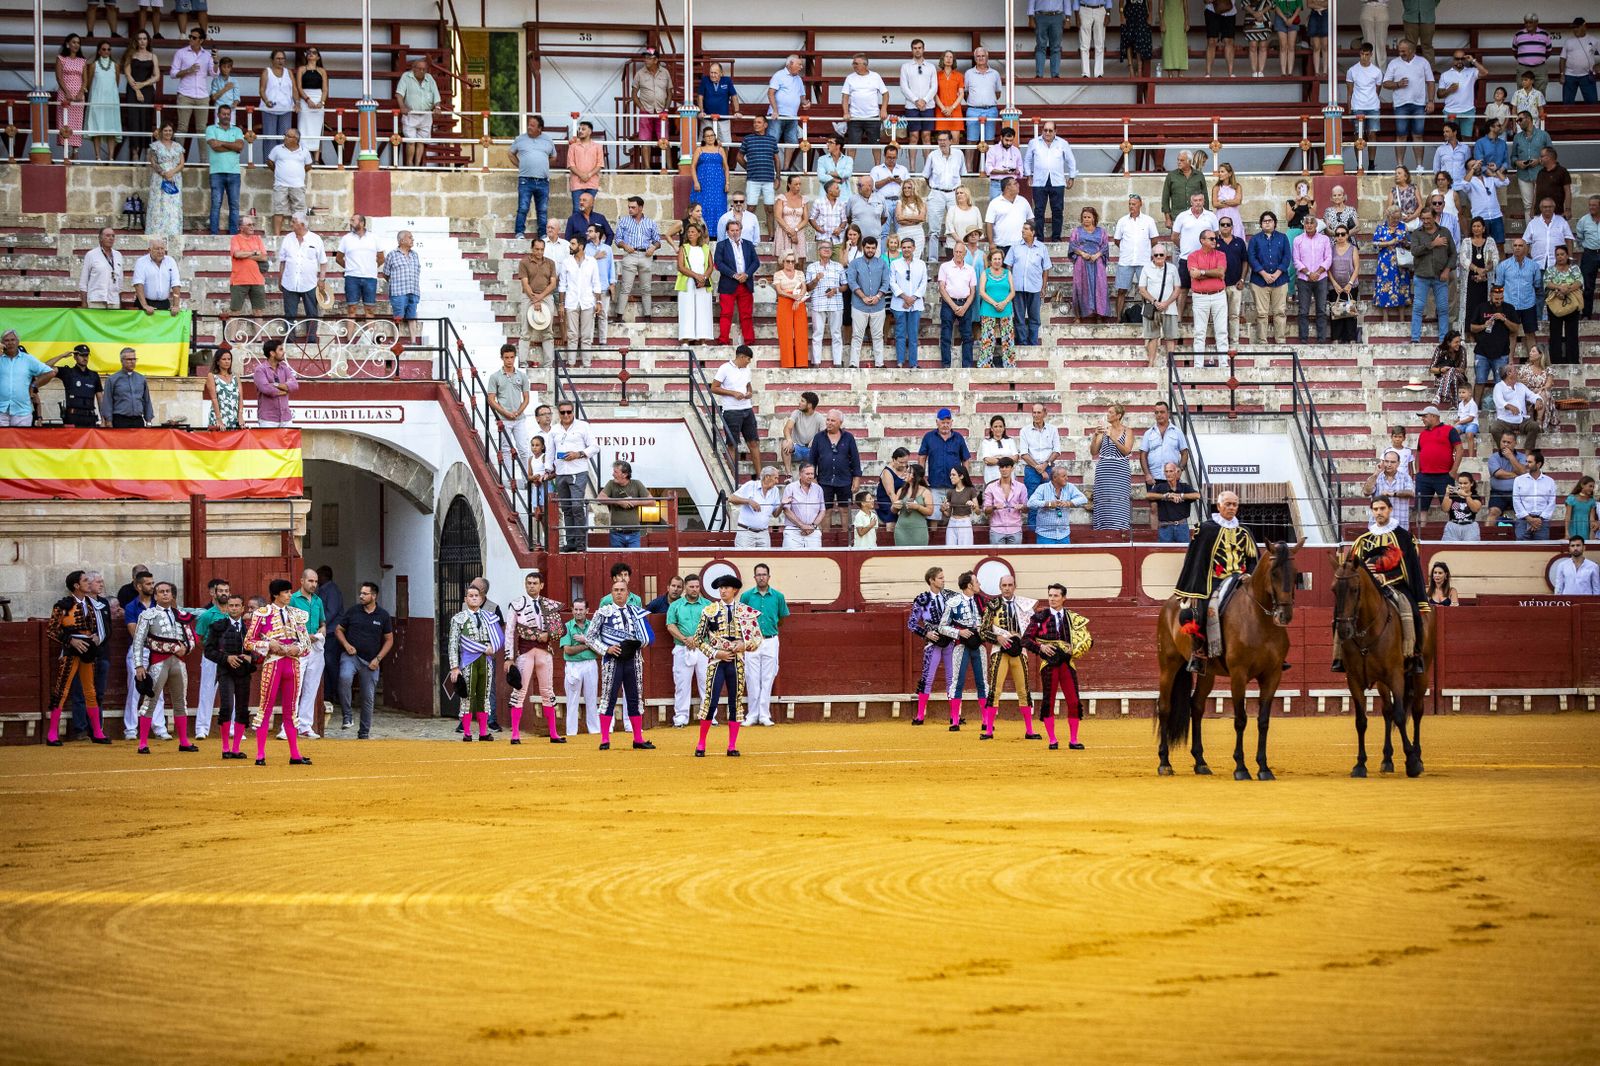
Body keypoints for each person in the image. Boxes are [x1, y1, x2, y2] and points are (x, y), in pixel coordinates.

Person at [1339, 495, 1428, 675]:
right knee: (1341, 613)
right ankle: (1339, 657)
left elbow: (1409, 568)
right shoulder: (1362, 540)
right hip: (1366, 588)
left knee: (1412, 610)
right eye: (1376, 509)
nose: (1379, 512)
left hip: (1396, 585)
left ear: (1390, 510)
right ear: (1372, 512)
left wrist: (1384, 578)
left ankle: (1415, 654)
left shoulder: (1403, 537)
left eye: (1382, 509)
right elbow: (1351, 569)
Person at [1173, 490, 1259, 672]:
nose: (1232, 508)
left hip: (1241, 580)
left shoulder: (1245, 531)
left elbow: (1253, 560)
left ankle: (1269, 651)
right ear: (1218, 506)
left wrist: (1250, 574)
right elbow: (1195, 560)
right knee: (1199, 611)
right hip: (1212, 581)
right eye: (1228, 504)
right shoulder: (1205, 529)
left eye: (1235, 504)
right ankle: (1198, 652)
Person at [692, 575, 763, 757]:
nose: (723, 591)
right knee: (710, 701)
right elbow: (698, 640)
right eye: (720, 588)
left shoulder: (745, 611)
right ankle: (701, 744)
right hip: (717, 662)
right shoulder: (709, 610)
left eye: (726, 588)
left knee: (735, 702)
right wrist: (716, 653)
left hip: (737, 661)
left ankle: (732, 746)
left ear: (734, 590)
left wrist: (744, 645)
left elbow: (757, 638)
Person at [130, 580, 199, 755]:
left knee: (180, 702)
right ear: (155, 596)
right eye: (161, 592)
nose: (165, 594)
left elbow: (191, 639)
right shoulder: (147, 615)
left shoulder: (181, 614)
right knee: (150, 701)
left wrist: (187, 649)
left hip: (178, 663)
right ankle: (143, 743)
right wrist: (139, 665)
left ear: (173, 594)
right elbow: (138, 642)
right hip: (157, 663)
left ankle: (183, 741)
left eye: (168, 591)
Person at [43, 571, 110, 747]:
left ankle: (97, 732)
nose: (90, 583)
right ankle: (51, 735)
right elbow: (51, 630)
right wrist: (70, 640)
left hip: (88, 650)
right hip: (71, 652)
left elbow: (101, 628)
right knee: (62, 691)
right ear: (76, 585)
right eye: (85, 580)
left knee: (90, 691)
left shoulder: (94, 604)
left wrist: (97, 636)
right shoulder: (63, 605)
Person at [502, 570, 562, 746]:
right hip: (525, 652)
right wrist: (508, 657)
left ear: (541, 586)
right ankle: (515, 734)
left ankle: (553, 733)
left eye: (535, 583)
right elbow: (510, 631)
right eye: (529, 583)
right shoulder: (516, 605)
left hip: (544, 653)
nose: (531, 586)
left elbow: (559, 630)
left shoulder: (549, 605)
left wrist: (549, 635)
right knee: (519, 692)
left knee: (547, 692)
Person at [979, 575, 1037, 739]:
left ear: (1015, 586)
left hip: (1019, 652)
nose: (1007, 588)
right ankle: (989, 730)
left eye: (1010, 585)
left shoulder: (1024, 605)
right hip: (999, 651)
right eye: (1004, 585)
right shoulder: (992, 606)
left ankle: (1030, 731)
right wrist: (998, 638)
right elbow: (983, 631)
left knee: (1024, 690)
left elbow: (1032, 629)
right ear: (999, 587)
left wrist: (1021, 636)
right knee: (995, 690)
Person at [333, 581, 392, 740]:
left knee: (368, 697)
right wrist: (346, 645)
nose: (361, 596)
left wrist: (378, 658)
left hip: (371, 661)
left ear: (374, 596)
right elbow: (339, 629)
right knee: (344, 678)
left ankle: (364, 732)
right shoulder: (353, 611)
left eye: (365, 594)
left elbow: (389, 640)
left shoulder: (383, 615)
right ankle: (347, 715)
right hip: (351, 656)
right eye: (361, 593)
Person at [446, 585, 503, 743]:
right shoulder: (458, 618)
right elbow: (453, 644)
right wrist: (454, 667)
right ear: (465, 599)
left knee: (484, 696)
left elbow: (498, 637)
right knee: (467, 696)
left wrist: (493, 648)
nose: (474, 598)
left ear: (481, 598)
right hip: (468, 661)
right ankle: (467, 733)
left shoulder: (488, 617)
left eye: (476, 595)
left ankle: (484, 732)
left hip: (486, 661)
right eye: (470, 596)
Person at [738, 565, 788, 727]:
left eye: (764, 574)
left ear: (769, 576)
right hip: (752, 641)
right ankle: (752, 715)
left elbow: (781, 618)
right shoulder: (746, 596)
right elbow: (740, 618)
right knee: (752, 678)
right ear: (754, 578)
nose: (761, 577)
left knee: (768, 678)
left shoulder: (778, 597)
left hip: (771, 640)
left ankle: (764, 715)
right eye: (758, 575)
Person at [549, 402, 597, 553]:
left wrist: (579, 454)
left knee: (577, 506)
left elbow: (595, 447)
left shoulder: (583, 426)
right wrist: (548, 469)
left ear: (573, 411)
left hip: (578, 470)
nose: (566, 415)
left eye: (568, 412)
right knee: (566, 508)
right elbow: (550, 451)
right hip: (561, 471)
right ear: (558, 413)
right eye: (562, 412)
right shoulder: (554, 430)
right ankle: (571, 542)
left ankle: (580, 543)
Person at [1382, 38, 1435, 170]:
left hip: (1419, 104)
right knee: (1401, 135)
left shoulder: (1423, 62)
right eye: (1400, 51)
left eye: (1404, 51)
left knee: (1418, 135)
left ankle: (1419, 166)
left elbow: (1431, 82)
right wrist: (1397, 84)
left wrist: (1430, 101)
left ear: (1412, 50)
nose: (1401, 53)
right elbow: (1385, 83)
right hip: (1401, 104)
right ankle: (1399, 165)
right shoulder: (1394, 63)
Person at [1408, 206, 1454, 343]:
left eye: (1428, 218)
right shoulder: (1417, 233)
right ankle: (1415, 338)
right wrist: (1432, 244)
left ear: (1435, 217)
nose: (1426, 221)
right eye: (1423, 219)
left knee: (1443, 308)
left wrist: (1447, 270)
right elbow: (1414, 251)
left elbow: (1453, 254)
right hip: (1421, 276)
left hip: (1440, 276)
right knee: (1418, 307)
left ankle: (1443, 339)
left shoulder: (1445, 232)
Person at [508, 115, 556, 240]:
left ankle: (543, 234)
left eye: (533, 125)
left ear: (540, 128)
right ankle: (519, 232)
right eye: (529, 124)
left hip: (543, 181)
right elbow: (510, 153)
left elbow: (553, 156)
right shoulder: (520, 139)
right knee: (523, 207)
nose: (529, 127)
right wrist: (521, 165)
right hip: (525, 180)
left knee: (542, 210)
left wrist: (542, 165)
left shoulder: (548, 140)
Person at [714, 218, 759, 347]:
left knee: (746, 315)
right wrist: (734, 275)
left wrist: (746, 274)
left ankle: (749, 341)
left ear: (741, 230)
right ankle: (723, 340)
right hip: (728, 284)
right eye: (732, 230)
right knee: (726, 313)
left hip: (745, 283)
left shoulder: (748, 244)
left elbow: (755, 262)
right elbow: (718, 263)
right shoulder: (721, 245)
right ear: (727, 232)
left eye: (737, 230)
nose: (735, 233)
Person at [559, 599, 600, 737]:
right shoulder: (566, 626)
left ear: (587, 611)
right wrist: (587, 644)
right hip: (573, 665)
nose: (578, 612)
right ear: (572, 610)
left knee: (592, 699)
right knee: (572, 700)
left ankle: (594, 731)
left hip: (590, 664)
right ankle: (571, 732)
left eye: (581, 609)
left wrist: (585, 640)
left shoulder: (594, 626)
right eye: (575, 609)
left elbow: (600, 650)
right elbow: (568, 650)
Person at [805, 239, 848, 367]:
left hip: (836, 303)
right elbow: (808, 288)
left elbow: (845, 286)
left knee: (836, 333)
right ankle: (816, 362)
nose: (827, 249)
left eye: (829, 248)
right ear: (819, 251)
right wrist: (816, 280)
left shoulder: (838, 266)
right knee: (818, 333)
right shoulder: (812, 267)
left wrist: (836, 290)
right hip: (818, 303)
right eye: (824, 247)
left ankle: (837, 362)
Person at [937, 241, 978, 368]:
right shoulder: (945, 267)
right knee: (946, 335)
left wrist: (964, 307)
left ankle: (967, 366)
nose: (958, 254)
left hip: (965, 303)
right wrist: (954, 306)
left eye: (961, 252)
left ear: (965, 254)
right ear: (953, 252)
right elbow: (942, 288)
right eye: (956, 251)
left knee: (967, 336)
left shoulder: (970, 269)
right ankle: (946, 365)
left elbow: (973, 291)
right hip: (949, 303)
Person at [1139, 243, 1182, 366]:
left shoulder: (1172, 268)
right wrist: (1154, 301)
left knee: (1170, 337)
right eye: (1156, 255)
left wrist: (1166, 303)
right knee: (1152, 337)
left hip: (1170, 307)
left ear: (1166, 255)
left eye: (1161, 254)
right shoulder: (1146, 268)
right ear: (1152, 256)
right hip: (1151, 307)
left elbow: (1177, 288)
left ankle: (1171, 363)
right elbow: (1142, 289)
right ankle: (1151, 362)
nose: (1158, 257)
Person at [394, 57, 441, 168]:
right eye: (419, 69)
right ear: (413, 69)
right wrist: (402, 107)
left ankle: (417, 165)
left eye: (424, 69)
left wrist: (437, 107)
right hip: (411, 114)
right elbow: (399, 94)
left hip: (426, 114)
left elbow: (436, 96)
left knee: (421, 141)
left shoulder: (429, 78)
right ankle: (410, 165)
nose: (422, 71)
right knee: (411, 141)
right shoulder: (406, 76)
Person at [0, 332, 55, 428]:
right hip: (1, 411)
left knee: (20, 443)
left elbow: (50, 372)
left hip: (22, 412)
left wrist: (34, 385)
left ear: (18, 342)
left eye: (13, 340)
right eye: (6, 340)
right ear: (2, 343)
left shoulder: (28, 359)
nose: (10, 343)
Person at [889, 237, 928, 369]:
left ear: (914, 248)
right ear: (901, 248)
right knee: (900, 334)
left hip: (915, 305)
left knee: (913, 334)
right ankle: (900, 362)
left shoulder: (921, 264)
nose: (906, 249)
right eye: (904, 247)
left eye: (909, 247)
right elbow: (892, 282)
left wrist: (913, 298)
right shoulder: (895, 264)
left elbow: (923, 283)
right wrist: (905, 297)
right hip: (899, 304)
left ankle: (913, 363)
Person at [121, 30, 160, 158]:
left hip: (147, 90)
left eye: (144, 38)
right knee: (133, 120)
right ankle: (134, 151)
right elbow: (127, 74)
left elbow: (157, 76)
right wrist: (137, 90)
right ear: (136, 41)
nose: (142, 41)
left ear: (148, 41)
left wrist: (143, 85)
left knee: (146, 119)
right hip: (132, 90)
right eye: (140, 39)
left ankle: (145, 150)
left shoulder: (153, 56)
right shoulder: (130, 55)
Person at [676, 220, 716, 345]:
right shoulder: (684, 248)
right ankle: (686, 339)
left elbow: (710, 265)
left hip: (702, 283)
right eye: (688, 232)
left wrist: (703, 277)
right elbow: (681, 267)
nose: (690, 234)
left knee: (703, 309)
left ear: (699, 233)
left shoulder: (705, 248)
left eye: (693, 232)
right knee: (686, 309)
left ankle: (703, 339)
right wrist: (696, 276)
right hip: (687, 282)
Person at [975, 248, 1016, 369]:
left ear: (1002, 260)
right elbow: (981, 292)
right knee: (987, 338)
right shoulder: (985, 273)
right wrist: (994, 303)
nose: (997, 261)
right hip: (988, 308)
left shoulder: (1008, 273)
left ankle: (1009, 364)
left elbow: (1012, 292)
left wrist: (1004, 303)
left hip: (1006, 308)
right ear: (990, 260)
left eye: (999, 259)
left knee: (1008, 338)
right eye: (995, 259)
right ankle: (985, 364)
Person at [597, 460, 650, 549]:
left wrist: (635, 502)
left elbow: (652, 501)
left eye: (615, 472)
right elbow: (600, 498)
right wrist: (618, 502)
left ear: (624, 475)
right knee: (616, 560)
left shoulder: (637, 484)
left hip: (634, 533)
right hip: (616, 533)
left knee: (634, 560)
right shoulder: (611, 483)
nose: (613, 474)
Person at [1030, 463, 1089, 545]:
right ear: (1054, 478)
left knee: (1064, 558)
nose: (1067, 478)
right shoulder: (1042, 488)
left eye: (1066, 476)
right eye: (1063, 476)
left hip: (1064, 534)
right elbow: (1031, 503)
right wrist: (1048, 504)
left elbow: (1084, 499)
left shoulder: (1070, 487)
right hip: (1045, 534)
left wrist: (1069, 503)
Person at [841, 52, 889, 150]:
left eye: (856, 63)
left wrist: (883, 109)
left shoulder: (875, 76)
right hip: (855, 118)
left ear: (865, 65)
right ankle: (850, 166)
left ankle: (877, 166)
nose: (853, 66)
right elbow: (845, 97)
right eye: (853, 63)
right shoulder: (850, 78)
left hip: (873, 117)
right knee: (851, 146)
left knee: (876, 146)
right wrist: (846, 112)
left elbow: (886, 94)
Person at [1545, 246, 1583, 364]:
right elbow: (1547, 282)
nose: (1560, 257)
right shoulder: (1550, 270)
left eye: (1562, 254)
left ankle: (1573, 361)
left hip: (1571, 302)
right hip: (1555, 304)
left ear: (1567, 256)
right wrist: (1559, 288)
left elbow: (1579, 281)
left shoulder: (1574, 268)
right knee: (1555, 332)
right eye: (1557, 255)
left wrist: (1567, 289)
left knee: (1572, 333)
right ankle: (1555, 361)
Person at [382, 230, 422, 340]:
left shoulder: (415, 255)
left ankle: (413, 341)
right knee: (398, 316)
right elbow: (385, 274)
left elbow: (418, 270)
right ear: (402, 240)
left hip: (413, 290)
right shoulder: (392, 255)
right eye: (410, 237)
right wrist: (395, 283)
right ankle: (396, 340)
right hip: (398, 291)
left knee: (412, 316)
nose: (412, 239)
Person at [293, 45, 330, 165]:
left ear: (318, 57)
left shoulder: (322, 71)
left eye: (314, 52)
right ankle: (303, 156)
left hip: (318, 98)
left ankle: (316, 159)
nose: (311, 54)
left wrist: (322, 102)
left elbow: (325, 89)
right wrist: (307, 99)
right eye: (309, 52)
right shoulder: (301, 69)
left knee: (317, 129)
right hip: (305, 98)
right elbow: (299, 87)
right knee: (303, 127)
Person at [99, 347, 153, 428]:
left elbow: (146, 400)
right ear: (122, 361)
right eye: (129, 359)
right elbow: (107, 401)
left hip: (138, 421)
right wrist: (108, 421)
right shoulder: (112, 379)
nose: (132, 362)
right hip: (120, 421)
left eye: (134, 359)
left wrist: (148, 420)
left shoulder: (141, 379)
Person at [731, 466, 783, 549]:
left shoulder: (775, 490)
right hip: (746, 532)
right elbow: (732, 498)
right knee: (744, 560)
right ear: (767, 477)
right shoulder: (751, 485)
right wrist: (749, 501)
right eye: (775, 478)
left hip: (763, 532)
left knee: (764, 560)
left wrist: (782, 504)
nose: (777, 481)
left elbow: (775, 514)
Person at [765, 53, 807, 155]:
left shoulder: (799, 79)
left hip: (792, 116)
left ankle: (786, 168)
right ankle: (772, 167)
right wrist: (775, 111)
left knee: (792, 142)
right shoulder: (779, 75)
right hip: (778, 116)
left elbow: (801, 97)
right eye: (799, 65)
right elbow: (770, 93)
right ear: (790, 64)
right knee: (772, 141)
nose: (801, 67)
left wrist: (806, 103)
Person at [982, 457, 1029, 545]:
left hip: (1015, 528)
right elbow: (985, 510)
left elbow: (1026, 509)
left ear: (1012, 468)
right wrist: (994, 507)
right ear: (999, 469)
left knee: (1015, 557)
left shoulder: (1021, 487)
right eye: (1001, 467)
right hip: (997, 529)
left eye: (1007, 467)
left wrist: (1022, 507)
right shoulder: (991, 487)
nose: (1004, 469)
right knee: (997, 557)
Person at [1512, 450, 1557, 541]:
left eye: (1530, 462)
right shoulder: (1519, 480)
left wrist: (1539, 519)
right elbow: (1516, 501)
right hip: (1523, 521)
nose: (1526, 464)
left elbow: (1551, 503)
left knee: (1542, 550)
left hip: (1542, 521)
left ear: (1538, 464)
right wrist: (1529, 518)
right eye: (1526, 461)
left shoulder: (1550, 481)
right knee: (1522, 548)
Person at [781, 462, 828, 547]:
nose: (810, 476)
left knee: (815, 559)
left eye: (812, 474)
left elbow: (822, 510)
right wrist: (802, 526)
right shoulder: (790, 488)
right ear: (800, 474)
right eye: (807, 474)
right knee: (791, 559)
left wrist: (812, 526)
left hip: (813, 531)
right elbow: (786, 510)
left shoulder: (818, 489)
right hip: (793, 532)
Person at [964, 48, 1003, 144]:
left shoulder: (995, 74)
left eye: (983, 56)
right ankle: (969, 160)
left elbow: (998, 93)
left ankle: (989, 160)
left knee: (990, 141)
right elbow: (965, 92)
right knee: (971, 141)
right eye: (978, 56)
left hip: (990, 110)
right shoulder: (969, 73)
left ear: (987, 57)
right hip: (973, 110)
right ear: (974, 58)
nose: (980, 58)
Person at [57, 345, 102, 428]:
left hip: (90, 418)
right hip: (73, 417)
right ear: (75, 357)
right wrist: (61, 356)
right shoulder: (68, 372)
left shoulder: (94, 375)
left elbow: (100, 399)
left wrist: (103, 419)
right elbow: (44, 367)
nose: (85, 358)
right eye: (82, 355)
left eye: (87, 355)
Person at [1558, 17, 1599, 105]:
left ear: (1584, 26)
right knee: (1567, 102)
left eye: (1577, 27)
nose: (1575, 29)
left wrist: (1599, 65)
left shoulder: (1594, 40)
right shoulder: (1568, 41)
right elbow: (1562, 58)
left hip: (1587, 75)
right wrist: (1562, 74)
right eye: (1573, 28)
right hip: (1570, 76)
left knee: (1592, 102)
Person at [892, 464, 935, 546]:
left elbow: (930, 511)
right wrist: (894, 506)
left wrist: (917, 507)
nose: (905, 473)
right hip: (901, 530)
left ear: (915, 476)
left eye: (908, 472)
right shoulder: (901, 490)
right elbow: (893, 510)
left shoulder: (925, 492)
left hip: (919, 531)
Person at [1576, 194, 1600, 320]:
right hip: (1589, 254)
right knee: (1587, 286)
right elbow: (1579, 238)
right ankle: (1586, 314)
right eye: (1590, 205)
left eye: (1594, 205)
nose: (1591, 207)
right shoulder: (1583, 220)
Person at [1567, 475, 1596, 542]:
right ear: (1582, 485)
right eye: (1590, 486)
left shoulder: (1592, 501)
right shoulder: (1571, 499)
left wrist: (1592, 535)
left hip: (1585, 529)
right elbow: (1567, 516)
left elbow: (1592, 519)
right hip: (1573, 528)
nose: (1592, 489)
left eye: (1593, 487)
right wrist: (1567, 532)